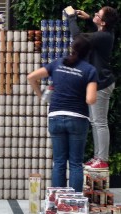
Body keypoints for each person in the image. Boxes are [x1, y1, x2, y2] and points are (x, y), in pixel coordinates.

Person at [27, 35, 97, 192]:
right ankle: (73, 205)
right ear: (88, 53)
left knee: (58, 162)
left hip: (56, 115)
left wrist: (41, 95)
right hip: (78, 118)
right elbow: (91, 99)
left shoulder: (58, 63)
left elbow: (31, 77)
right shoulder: (89, 70)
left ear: (72, 48)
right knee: (75, 163)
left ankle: (58, 203)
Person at [65, 6, 119, 169]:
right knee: (96, 122)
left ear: (102, 22)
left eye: (98, 15)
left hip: (101, 83)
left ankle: (101, 159)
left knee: (99, 122)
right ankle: (98, 157)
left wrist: (71, 18)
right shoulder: (106, 33)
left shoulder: (103, 36)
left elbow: (78, 39)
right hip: (100, 82)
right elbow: (94, 34)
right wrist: (89, 19)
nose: (95, 14)